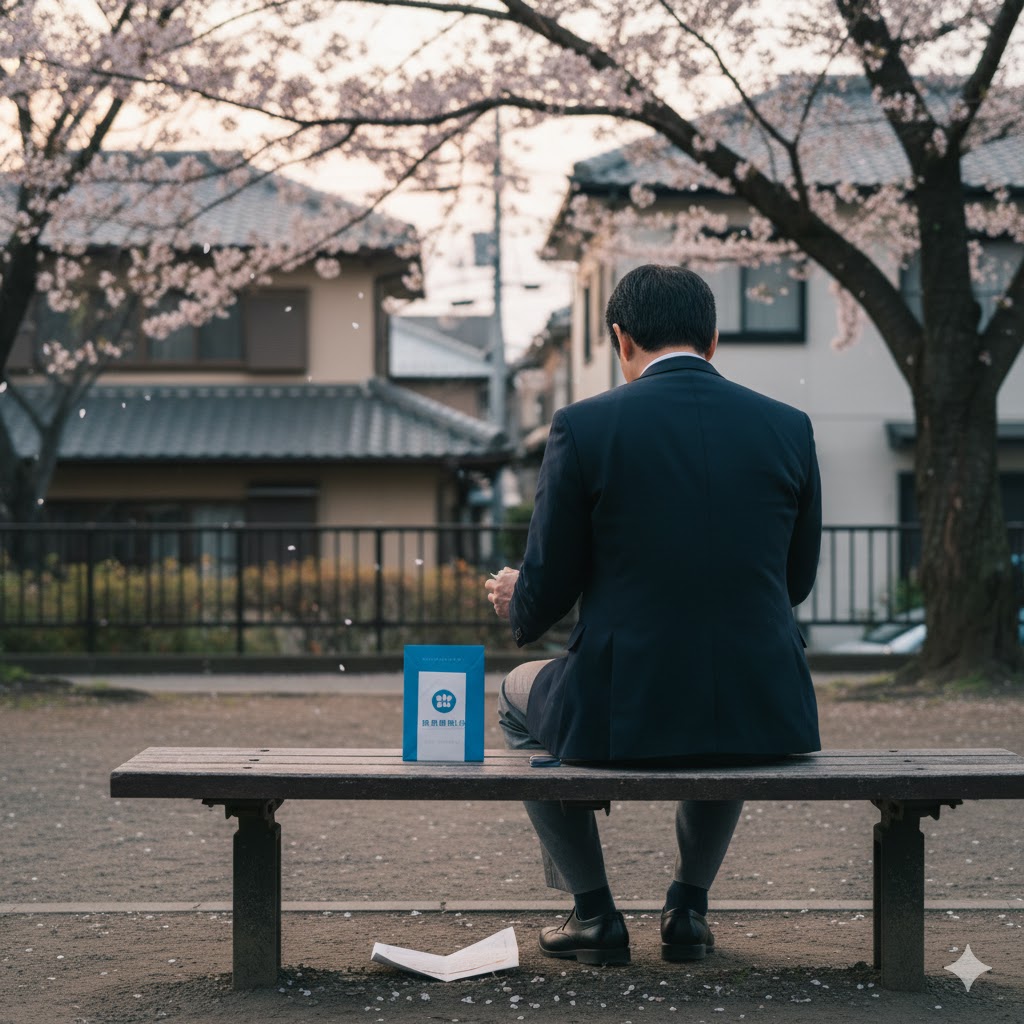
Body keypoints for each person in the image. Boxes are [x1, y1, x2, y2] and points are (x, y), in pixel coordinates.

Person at [485, 264, 822, 966]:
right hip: (761, 701)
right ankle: (688, 910)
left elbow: (545, 593)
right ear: (714, 339)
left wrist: (515, 594)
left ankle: (593, 914)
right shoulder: (789, 427)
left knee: (516, 696)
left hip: (621, 700)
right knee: (722, 725)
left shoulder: (584, 426)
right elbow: (795, 582)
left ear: (620, 337)